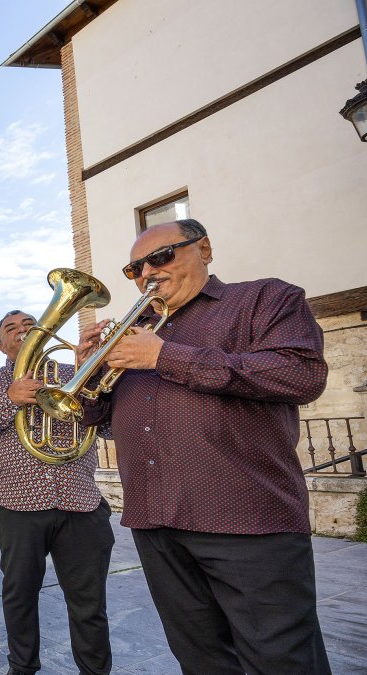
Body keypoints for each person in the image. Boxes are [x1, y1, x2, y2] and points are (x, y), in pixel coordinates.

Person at [80, 219, 330, 674]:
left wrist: (163, 355)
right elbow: (98, 421)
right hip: (156, 522)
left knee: (282, 661)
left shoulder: (264, 298)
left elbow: (301, 376)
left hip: (247, 519)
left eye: (161, 257)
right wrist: (90, 374)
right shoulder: (134, 332)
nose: (146, 273)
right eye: (134, 268)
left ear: (205, 249)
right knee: (202, 660)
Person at [0, 310, 113, 675]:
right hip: (17, 504)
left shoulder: (70, 372)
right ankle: (22, 669)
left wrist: (90, 370)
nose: (22, 330)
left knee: (88, 602)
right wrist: (11, 399)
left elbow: (107, 427)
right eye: (11, 328)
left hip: (80, 500)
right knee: (19, 596)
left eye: (29, 324)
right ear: (0, 344)